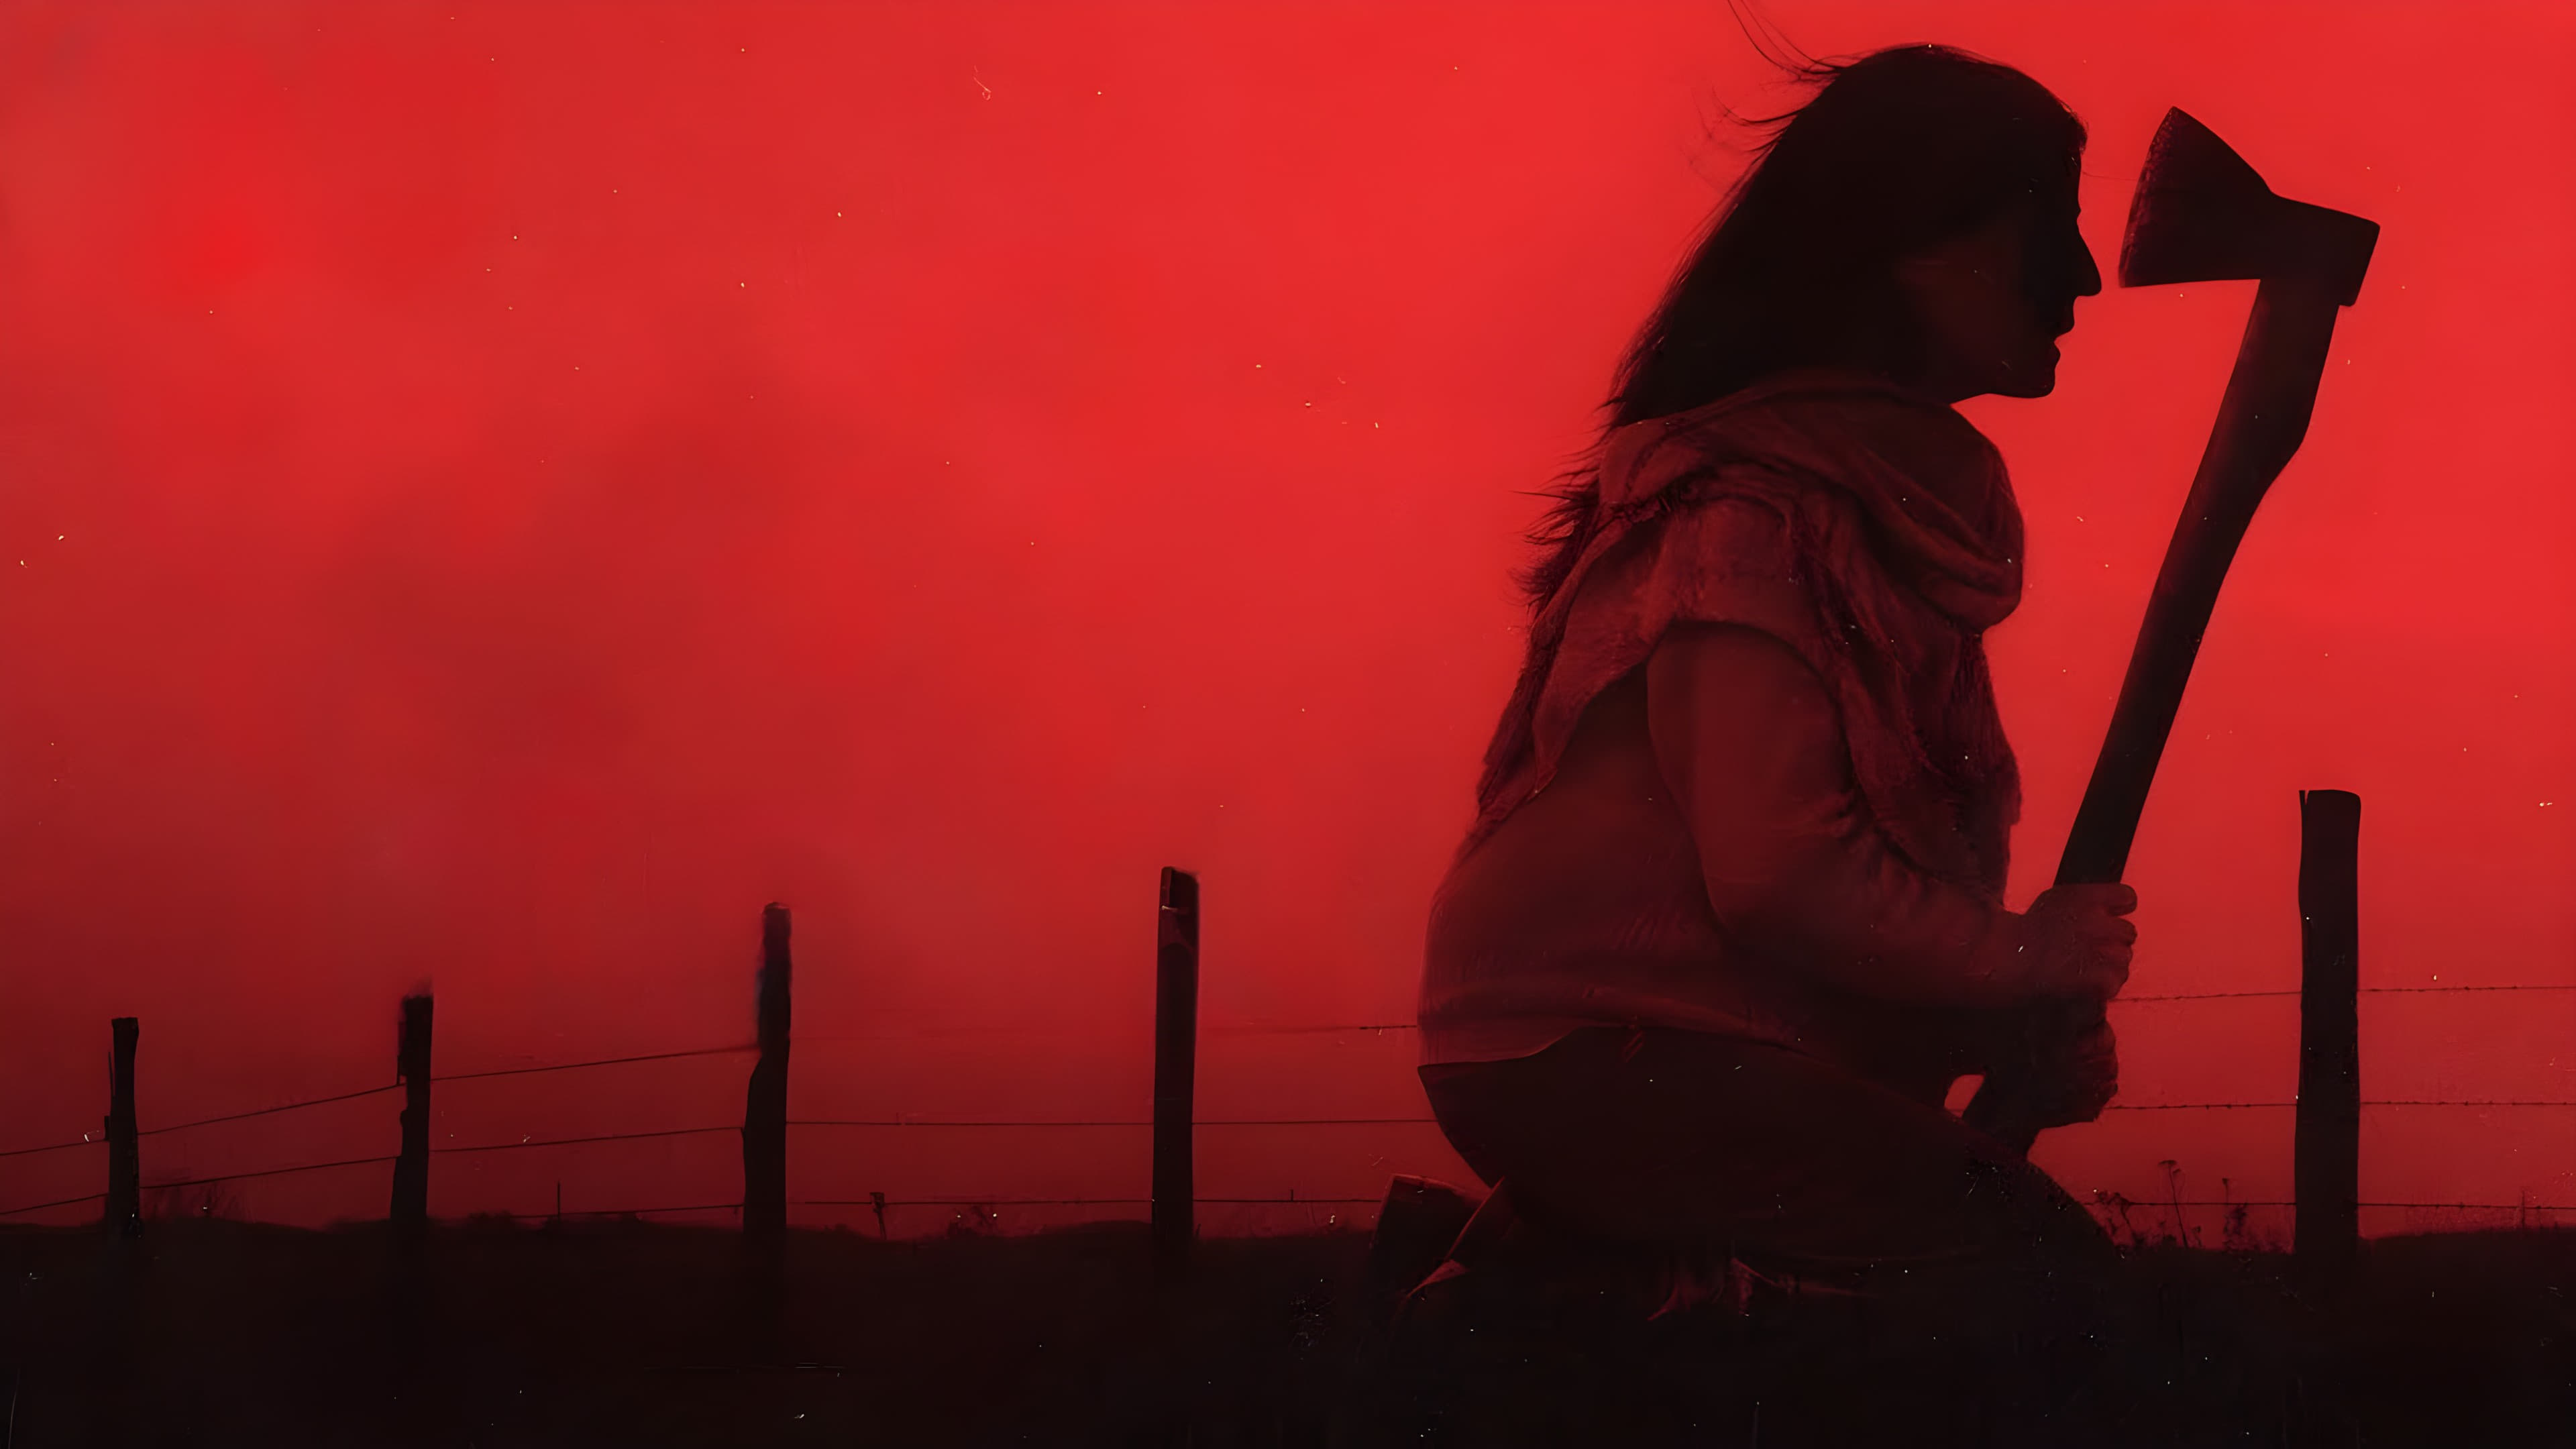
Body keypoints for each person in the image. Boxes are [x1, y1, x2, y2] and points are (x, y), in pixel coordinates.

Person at [1415, 44, 2137, 1287]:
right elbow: (1779, 877)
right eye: (2048, 225)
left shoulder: (1871, 507)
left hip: (1670, 1040)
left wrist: (2002, 1017)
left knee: (1914, 1289)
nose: (2081, 275)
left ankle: (1524, 1310)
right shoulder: (1757, 512)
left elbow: (1811, 913)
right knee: (2033, 1274)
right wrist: (2021, 960)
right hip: (1601, 1044)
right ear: (1913, 238)